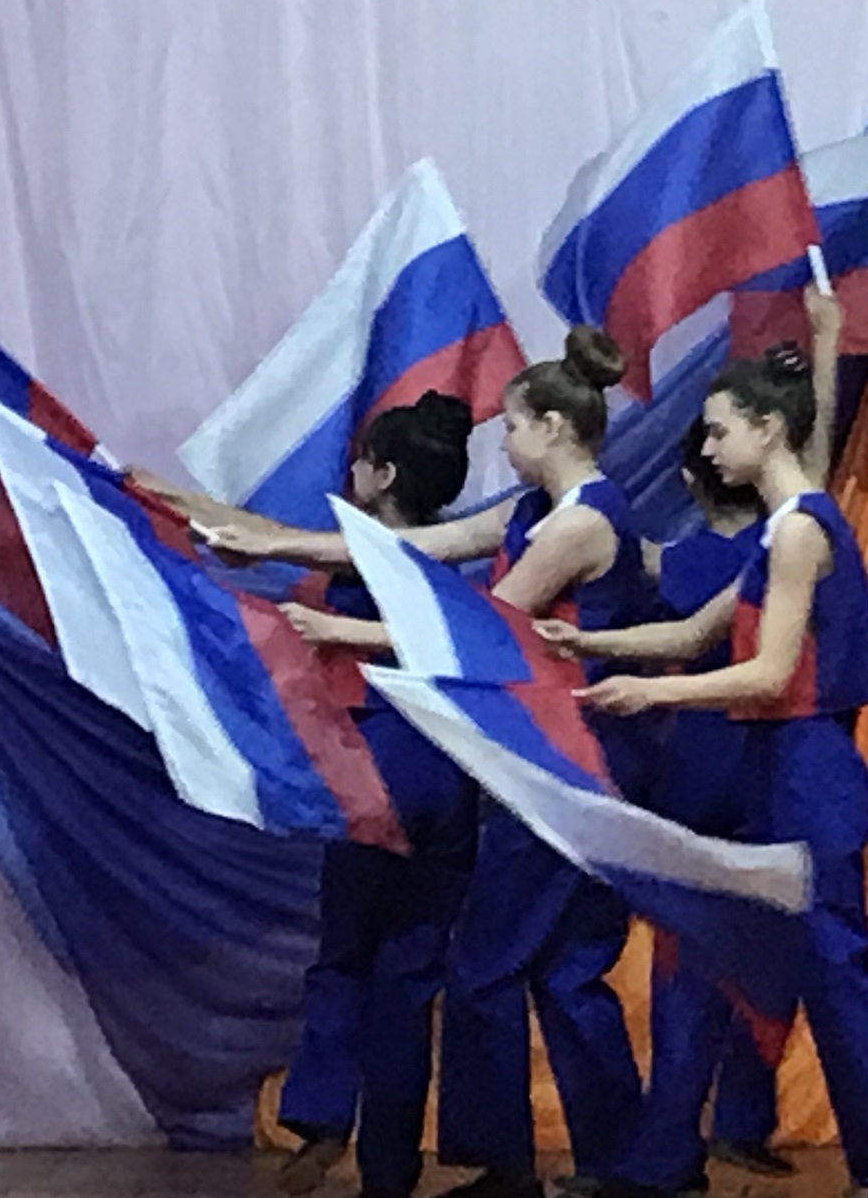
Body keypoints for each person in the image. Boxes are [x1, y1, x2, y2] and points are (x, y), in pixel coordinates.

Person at [188, 329, 653, 1198]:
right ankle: (610, 1162)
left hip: (570, 763)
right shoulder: (533, 511)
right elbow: (407, 551)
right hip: (524, 761)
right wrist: (272, 546)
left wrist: (337, 629)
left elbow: (473, 628)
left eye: (512, 427)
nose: (504, 445)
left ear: (553, 426)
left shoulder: (582, 523)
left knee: (491, 968)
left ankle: (545, 1164)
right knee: (559, 973)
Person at [541, 345, 868, 1198]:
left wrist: (654, 694)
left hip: (806, 769)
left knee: (835, 981)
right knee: (703, 962)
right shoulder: (779, 529)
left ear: (769, 429)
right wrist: (585, 641)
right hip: (771, 768)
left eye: (720, 432)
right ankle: (661, 1162)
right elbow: (693, 635)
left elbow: (766, 672)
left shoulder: (797, 531)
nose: (708, 449)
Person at [634, 285, 841, 1182]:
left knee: (692, 956)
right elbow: (816, 461)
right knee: (768, 947)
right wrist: (827, 346)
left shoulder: (705, 557)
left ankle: (671, 1141)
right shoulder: (780, 540)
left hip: (708, 758)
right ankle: (735, 1122)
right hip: (755, 757)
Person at [265, 394, 481, 1198]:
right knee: (409, 981)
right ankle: (390, 1169)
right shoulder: (452, 555)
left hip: (376, 763)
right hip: (448, 772)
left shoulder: (360, 552)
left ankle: (322, 1115)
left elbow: (266, 549)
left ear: (383, 475)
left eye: (360, 461)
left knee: (346, 954)